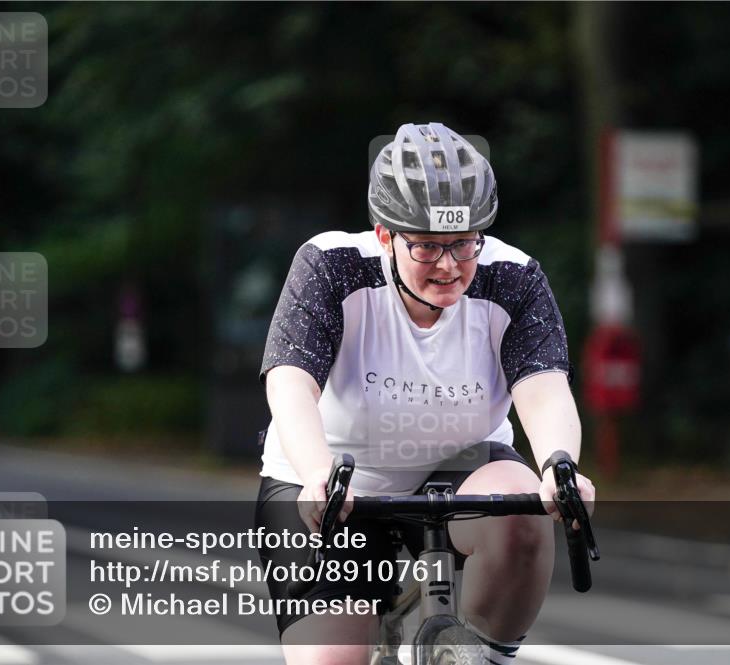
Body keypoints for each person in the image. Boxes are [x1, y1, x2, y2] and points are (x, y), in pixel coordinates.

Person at [254, 122, 594, 665]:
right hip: (335, 476)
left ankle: (477, 656)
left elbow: (545, 387)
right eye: (428, 246)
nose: (449, 265)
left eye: (464, 244)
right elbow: (290, 380)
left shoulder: (513, 276)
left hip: (456, 466)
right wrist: (318, 471)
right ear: (385, 234)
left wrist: (560, 465)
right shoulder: (333, 265)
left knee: (522, 507)